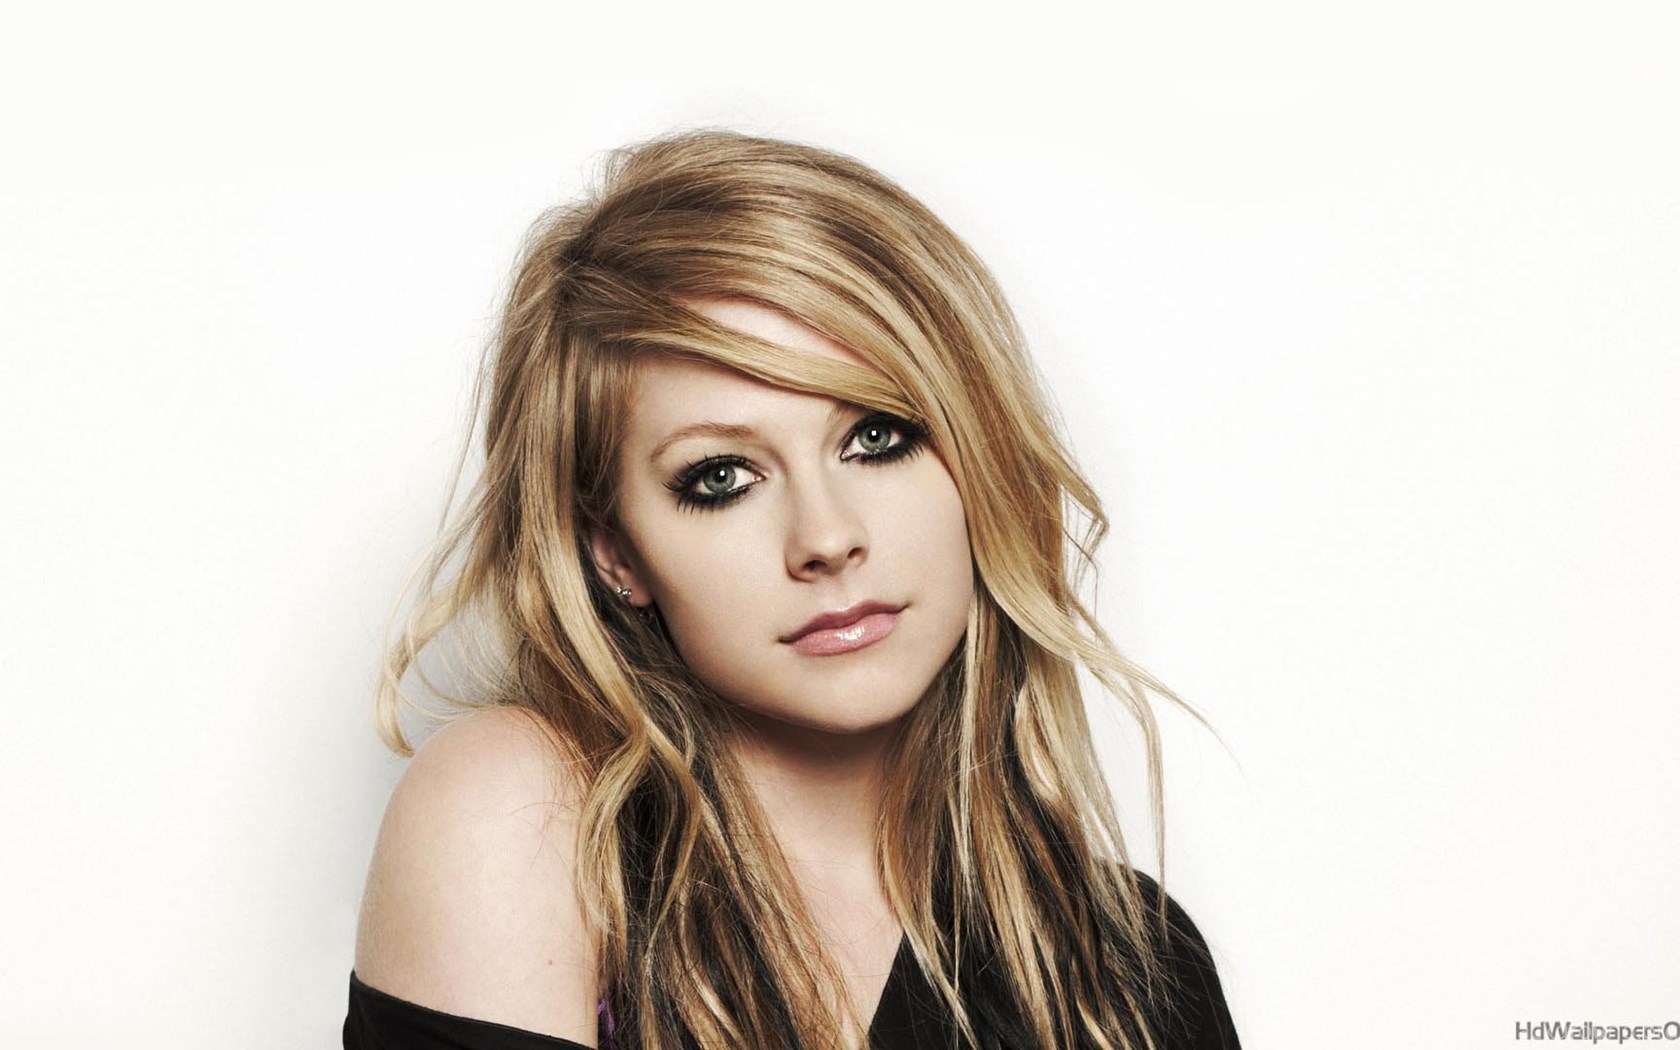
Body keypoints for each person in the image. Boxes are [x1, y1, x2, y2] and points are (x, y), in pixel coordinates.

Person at [344, 129, 1240, 1050]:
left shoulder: (1134, 973)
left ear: (976, 453)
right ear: (616, 553)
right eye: (722, 477)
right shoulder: (525, 814)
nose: (826, 539)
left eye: (877, 437)